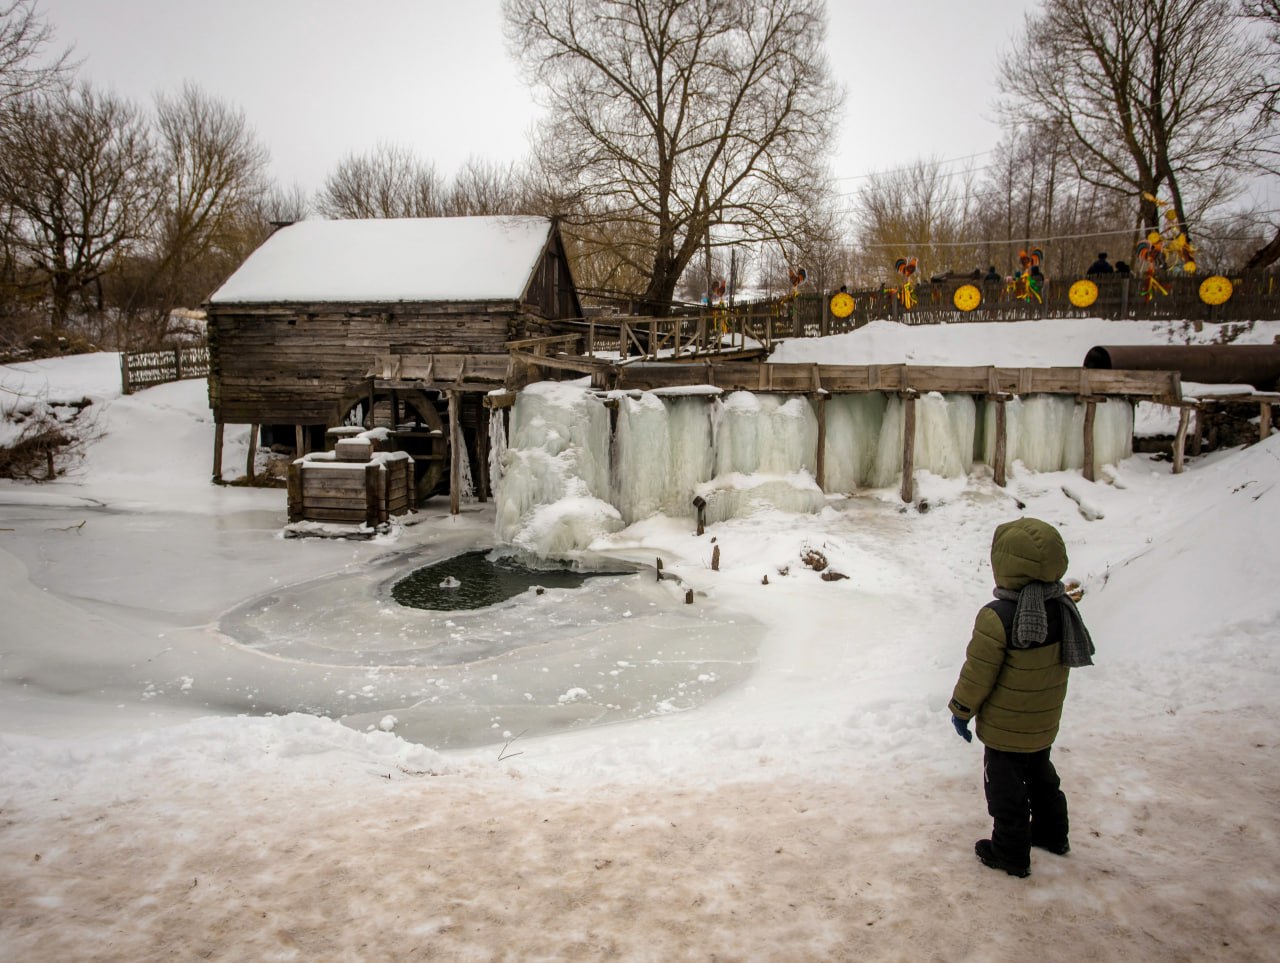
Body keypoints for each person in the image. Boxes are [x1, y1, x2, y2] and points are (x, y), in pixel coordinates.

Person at [948, 517, 1096, 878]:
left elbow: (978, 672)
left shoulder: (999, 616)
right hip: (1043, 721)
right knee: (1042, 776)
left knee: (1004, 788)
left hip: (1004, 727)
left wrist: (962, 710)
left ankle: (1010, 852)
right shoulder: (1063, 607)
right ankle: (1052, 834)